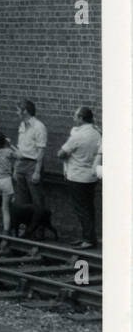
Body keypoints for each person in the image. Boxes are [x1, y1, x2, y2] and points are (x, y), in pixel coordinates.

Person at [58, 106, 101, 249]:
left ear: (81, 118)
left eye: (75, 116)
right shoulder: (97, 133)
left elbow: (61, 153)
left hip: (77, 177)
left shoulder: (77, 136)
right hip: (92, 176)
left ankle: (88, 239)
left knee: (82, 209)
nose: (73, 118)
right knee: (89, 207)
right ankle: (89, 236)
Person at [14, 99, 47, 210]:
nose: (16, 112)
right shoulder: (22, 125)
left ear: (25, 111)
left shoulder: (39, 127)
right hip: (21, 164)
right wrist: (16, 168)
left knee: (37, 199)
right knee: (22, 199)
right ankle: (26, 225)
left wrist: (37, 172)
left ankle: (38, 226)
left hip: (32, 165)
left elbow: (41, 150)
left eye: (18, 110)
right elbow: (20, 148)